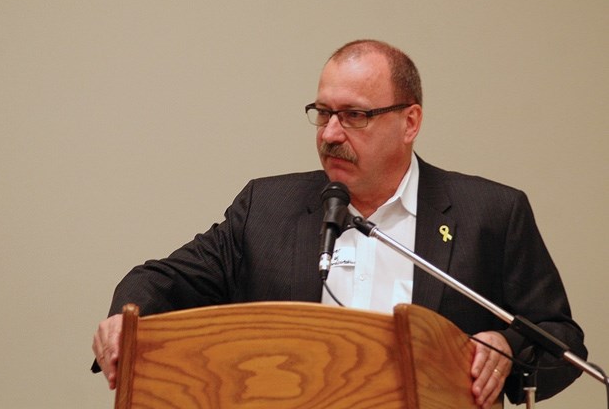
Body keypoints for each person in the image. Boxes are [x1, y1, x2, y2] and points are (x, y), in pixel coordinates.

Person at [92, 39, 586, 408]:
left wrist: (507, 346)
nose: (330, 133)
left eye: (354, 116)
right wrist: (123, 319)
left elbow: (560, 337)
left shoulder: (490, 213)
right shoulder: (266, 207)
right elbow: (164, 279)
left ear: (410, 121)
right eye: (323, 113)